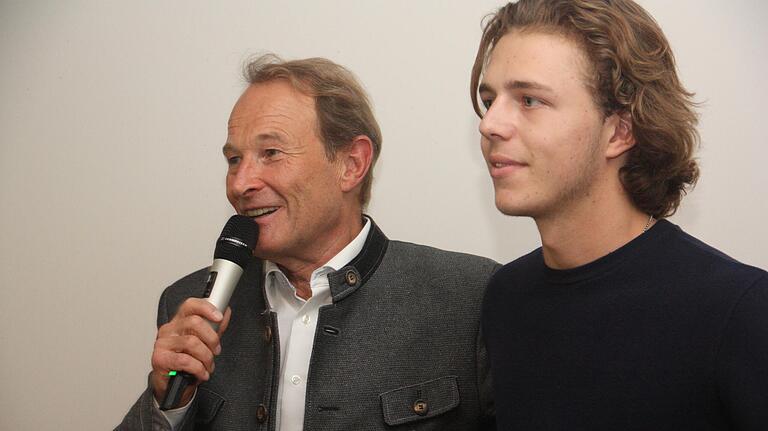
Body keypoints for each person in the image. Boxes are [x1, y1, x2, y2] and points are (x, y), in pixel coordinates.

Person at [117, 55, 497, 430]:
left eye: (271, 153)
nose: (239, 184)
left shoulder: (470, 299)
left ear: (351, 163)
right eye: (234, 159)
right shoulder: (188, 305)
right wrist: (167, 405)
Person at [471, 0, 768, 429]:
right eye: (489, 98)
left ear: (619, 131)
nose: (490, 123)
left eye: (529, 100)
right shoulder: (506, 298)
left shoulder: (738, 311)